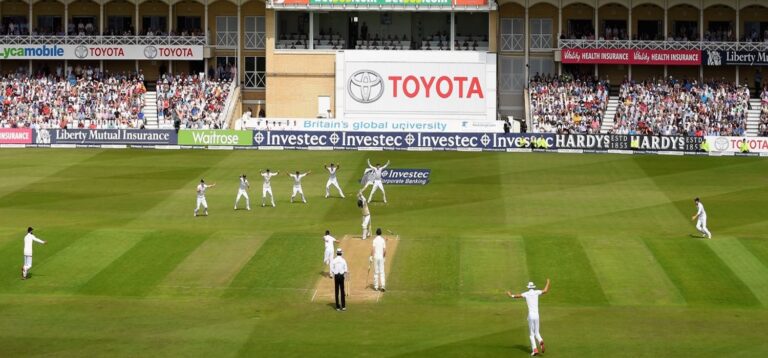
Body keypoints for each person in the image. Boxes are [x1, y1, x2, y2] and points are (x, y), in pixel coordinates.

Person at [507, 279, 551, 356]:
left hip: (531, 316)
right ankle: (540, 340)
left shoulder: (526, 293)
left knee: (531, 334)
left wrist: (511, 295)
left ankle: (535, 350)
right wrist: (548, 282)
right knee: (537, 332)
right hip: (537, 315)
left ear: (528, 287)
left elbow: (518, 296)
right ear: (533, 287)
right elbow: (545, 290)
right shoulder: (537, 292)